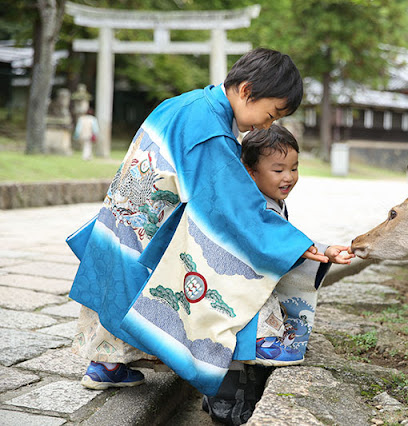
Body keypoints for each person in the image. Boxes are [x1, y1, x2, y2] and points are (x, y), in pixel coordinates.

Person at [66, 48, 330, 395]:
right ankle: (261, 339)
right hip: (153, 225)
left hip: (122, 213)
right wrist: (296, 244)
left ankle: (106, 364)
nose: (268, 124)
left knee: (119, 277)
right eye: (272, 113)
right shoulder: (211, 131)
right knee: (212, 260)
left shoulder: (185, 103)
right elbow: (231, 204)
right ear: (247, 90)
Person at [202, 124, 354, 425]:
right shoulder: (249, 206)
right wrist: (308, 250)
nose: (289, 177)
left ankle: (224, 401)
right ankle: (230, 408)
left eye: (294, 168)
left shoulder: (270, 202)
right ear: (250, 172)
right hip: (238, 297)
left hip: (244, 300)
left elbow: (290, 241)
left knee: (236, 358)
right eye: (278, 169)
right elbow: (271, 243)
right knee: (237, 362)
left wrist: (326, 251)